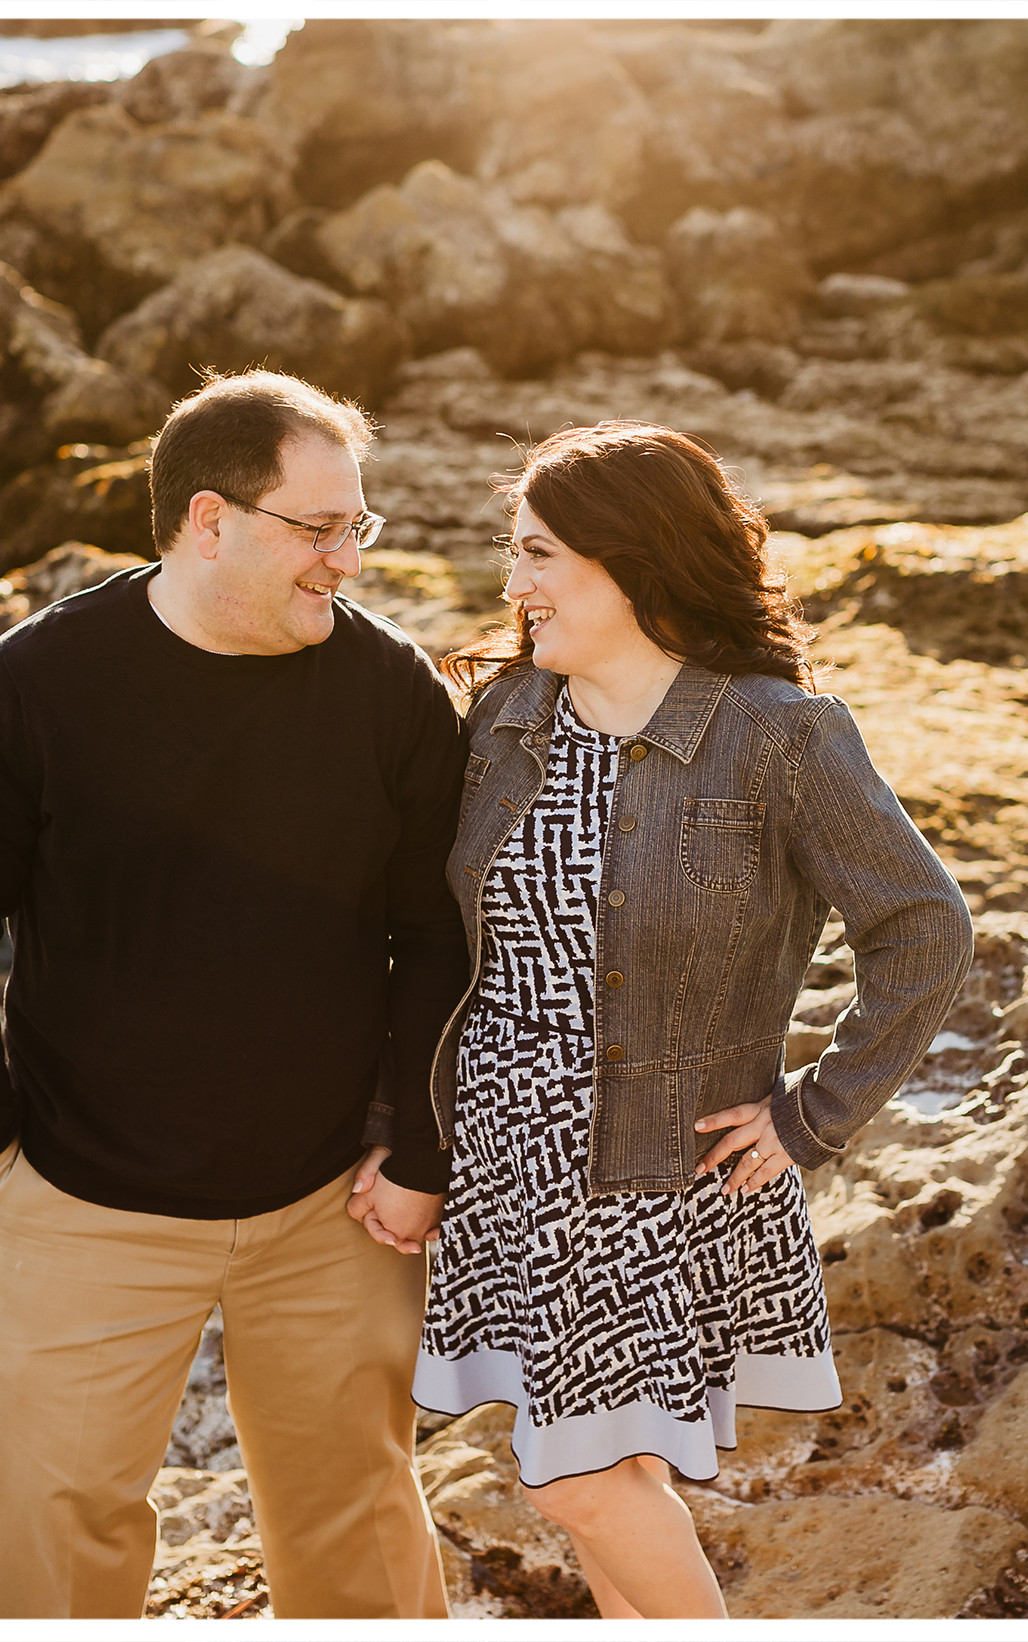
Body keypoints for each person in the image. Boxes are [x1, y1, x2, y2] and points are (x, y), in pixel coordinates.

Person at [0, 370, 462, 1619]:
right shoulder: (26, 692)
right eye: (320, 529)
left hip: (331, 1211)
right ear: (211, 519)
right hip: (79, 1211)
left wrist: (414, 1147)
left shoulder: (392, 694)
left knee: (358, 1537)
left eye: (358, 525)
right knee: (59, 1556)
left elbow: (435, 937)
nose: (347, 560)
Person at [414, 421, 973, 1618]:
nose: (513, 586)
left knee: (579, 1485)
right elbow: (433, 948)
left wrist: (814, 1118)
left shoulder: (776, 735)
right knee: (608, 1476)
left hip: (658, 1180)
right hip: (506, 1162)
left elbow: (924, 930)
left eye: (539, 553)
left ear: (636, 561)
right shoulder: (503, 721)